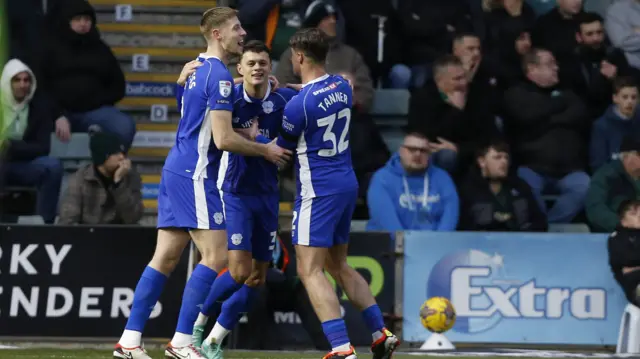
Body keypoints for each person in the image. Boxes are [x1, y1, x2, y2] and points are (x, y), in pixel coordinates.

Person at [113, 7, 290, 359]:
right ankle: (182, 341)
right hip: (196, 172)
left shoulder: (197, 69)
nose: (243, 33)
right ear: (217, 34)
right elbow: (223, 140)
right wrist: (264, 150)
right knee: (216, 255)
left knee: (164, 258)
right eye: (236, 28)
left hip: (176, 168)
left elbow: (202, 114)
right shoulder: (220, 77)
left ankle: (129, 341)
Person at [274, 28, 399, 359]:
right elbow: (316, 94)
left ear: (298, 57)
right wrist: (290, 91)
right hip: (346, 183)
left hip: (317, 191)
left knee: (309, 270)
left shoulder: (297, 107)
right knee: (339, 264)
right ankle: (380, 331)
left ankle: (342, 348)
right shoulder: (343, 86)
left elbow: (280, 152)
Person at [191, 40, 297, 358]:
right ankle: (197, 325)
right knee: (238, 272)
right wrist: (257, 140)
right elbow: (220, 132)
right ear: (240, 68)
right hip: (235, 192)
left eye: (262, 63)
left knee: (257, 278)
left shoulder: (282, 99)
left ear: (269, 67)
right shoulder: (230, 98)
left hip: (268, 196)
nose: (257, 68)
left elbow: (309, 96)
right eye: (250, 63)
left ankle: (214, 340)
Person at [607, 199, 640, 305]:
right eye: (634, 214)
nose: (639, 216)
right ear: (623, 219)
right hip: (634, 285)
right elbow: (625, 259)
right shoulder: (616, 237)